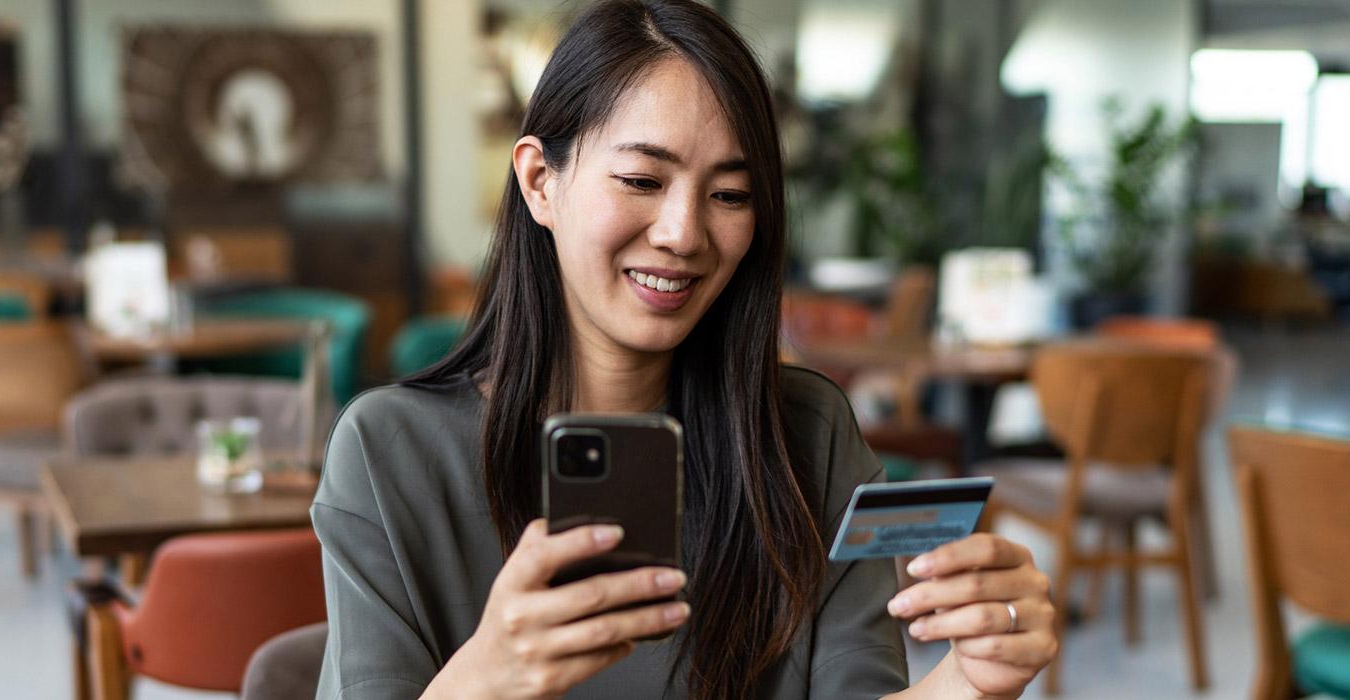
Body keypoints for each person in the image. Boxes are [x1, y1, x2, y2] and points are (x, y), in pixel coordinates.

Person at [312, 1, 1057, 697]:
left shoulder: (808, 435)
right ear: (541, 181)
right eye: (642, 179)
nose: (683, 233)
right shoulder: (390, 453)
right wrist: (486, 677)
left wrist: (966, 681)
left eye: (729, 195)